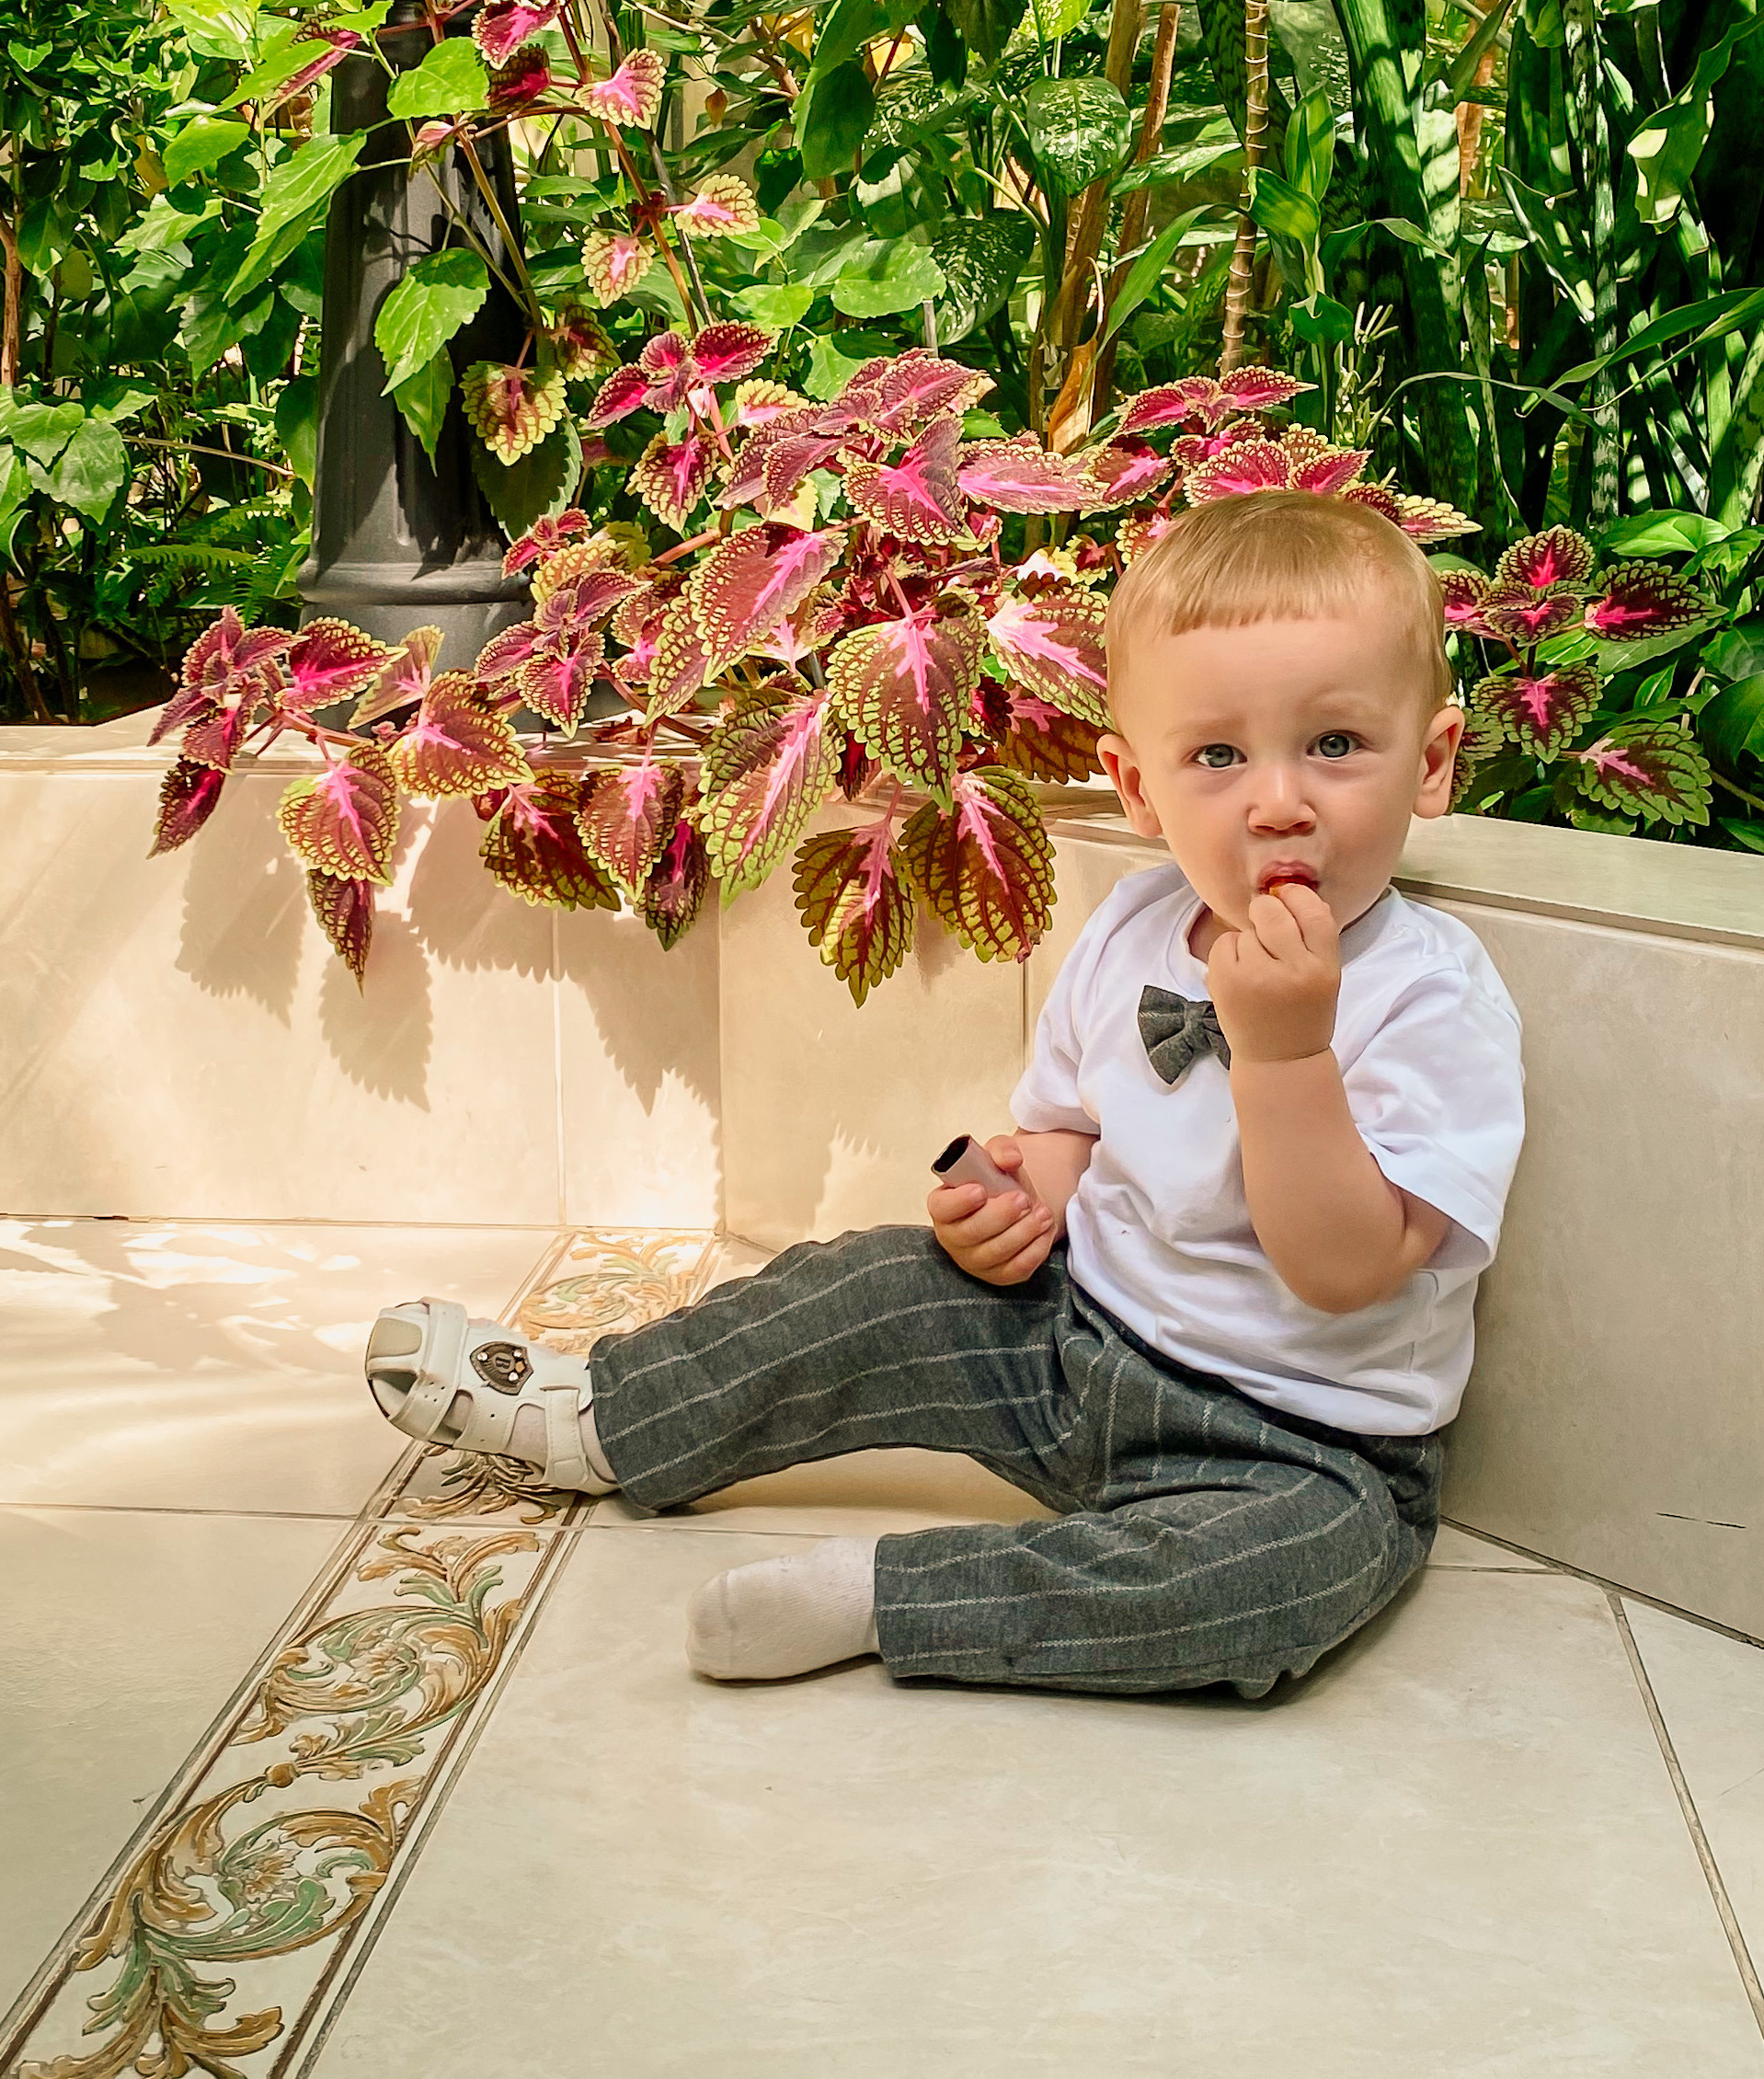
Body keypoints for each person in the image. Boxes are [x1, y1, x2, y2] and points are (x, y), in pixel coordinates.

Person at [361, 490, 1524, 1699]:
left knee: (1268, 1587)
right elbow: (1072, 1136)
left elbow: (1347, 1271)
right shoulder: (1134, 925)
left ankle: (890, 1598)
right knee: (870, 1283)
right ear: (1137, 789)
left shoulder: (1430, 998)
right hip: (1078, 1342)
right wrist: (1018, 1196)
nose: (1278, 799)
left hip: (1301, 1447)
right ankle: (602, 1412)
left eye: (1333, 745)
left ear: (1431, 763)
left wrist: (1284, 1058)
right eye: (1218, 757)